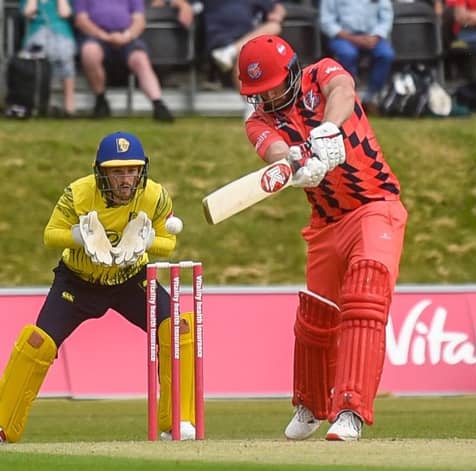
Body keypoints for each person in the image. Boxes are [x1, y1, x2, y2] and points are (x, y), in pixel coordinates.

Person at [238, 35, 408, 441]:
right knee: (317, 317)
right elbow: (276, 151)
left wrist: (328, 132)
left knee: (365, 296)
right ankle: (311, 405)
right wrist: (295, 164)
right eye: (258, 93)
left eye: (274, 87)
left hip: (375, 204)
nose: (268, 98)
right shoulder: (258, 121)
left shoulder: (322, 74)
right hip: (325, 222)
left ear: (294, 73)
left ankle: (350, 409)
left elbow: (343, 90)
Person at [0, 132, 198, 443]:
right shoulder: (79, 194)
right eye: (117, 171)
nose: (126, 180)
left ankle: (178, 421)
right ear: (101, 172)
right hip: (79, 281)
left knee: (179, 328)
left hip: (131, 279)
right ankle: (2, 426)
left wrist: (148, 243)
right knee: (37, 343)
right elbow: (50, 235)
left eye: (131, 171)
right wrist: (80, 237)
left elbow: (168, 242)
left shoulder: (155, 196)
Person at [73, 0, 175, 121]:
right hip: (96, 36)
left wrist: (127, 36)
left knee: (140, 59)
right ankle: (100, 100)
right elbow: (81, 20)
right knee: (89, 52)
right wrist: (105, 36)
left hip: (127, 37)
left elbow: (139, 20)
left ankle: (158, 104)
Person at [205, 0, 286, 119]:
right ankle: (251, 104)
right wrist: (182, 5)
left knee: (273, 26)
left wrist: (278, 14)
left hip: (247, 36)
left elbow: (277, 6)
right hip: (219, 38)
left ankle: (231, 52)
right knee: (245, 52)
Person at [319, 0, 395, 114]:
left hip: (372, 37)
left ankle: (371, 98)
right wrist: (352, 38)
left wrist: (376, 36)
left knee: (386, 55)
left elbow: (386, 17)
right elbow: (326, 21)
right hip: (343, 37)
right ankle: (350, 96)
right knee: (347, 54)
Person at [20, 0, 77, 117]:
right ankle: (44, 103)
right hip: (36, 32)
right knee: (39, 51)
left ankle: (69, 106)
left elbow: (65, 13)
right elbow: (28, 12)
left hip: (61, 33)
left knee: (64, 52)